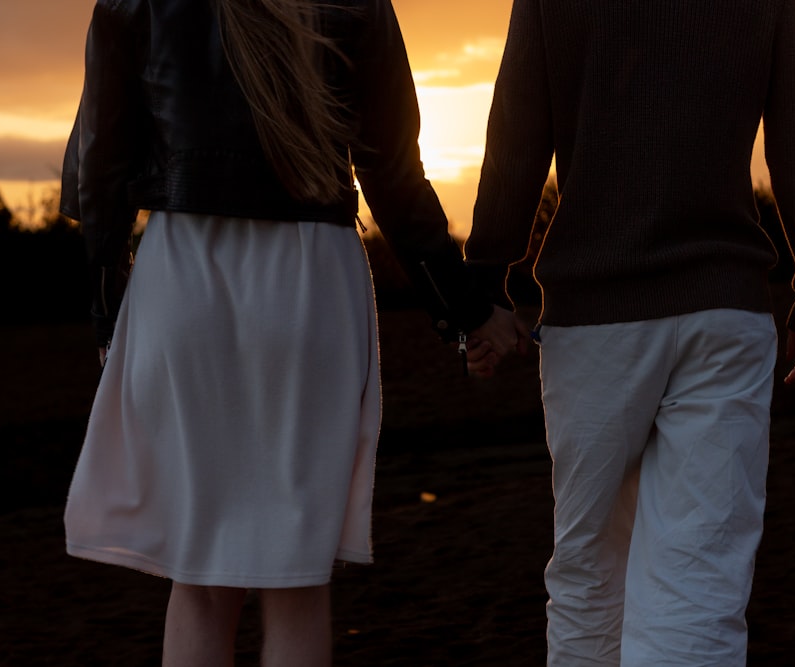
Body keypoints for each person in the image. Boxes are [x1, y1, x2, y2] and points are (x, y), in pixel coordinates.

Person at [59, 1, 515, 664]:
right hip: (311, 284)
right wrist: (469, 312)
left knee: (201, 576)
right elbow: (394, 175)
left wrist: (107, 312)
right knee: (299, 581)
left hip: (184, 276)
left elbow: (100, 166)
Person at [464, 0, 795, 664]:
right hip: (724, 314)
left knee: (590, 574)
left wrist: (486, 283)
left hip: (595, 327)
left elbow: (517, 130)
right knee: (700, 580)